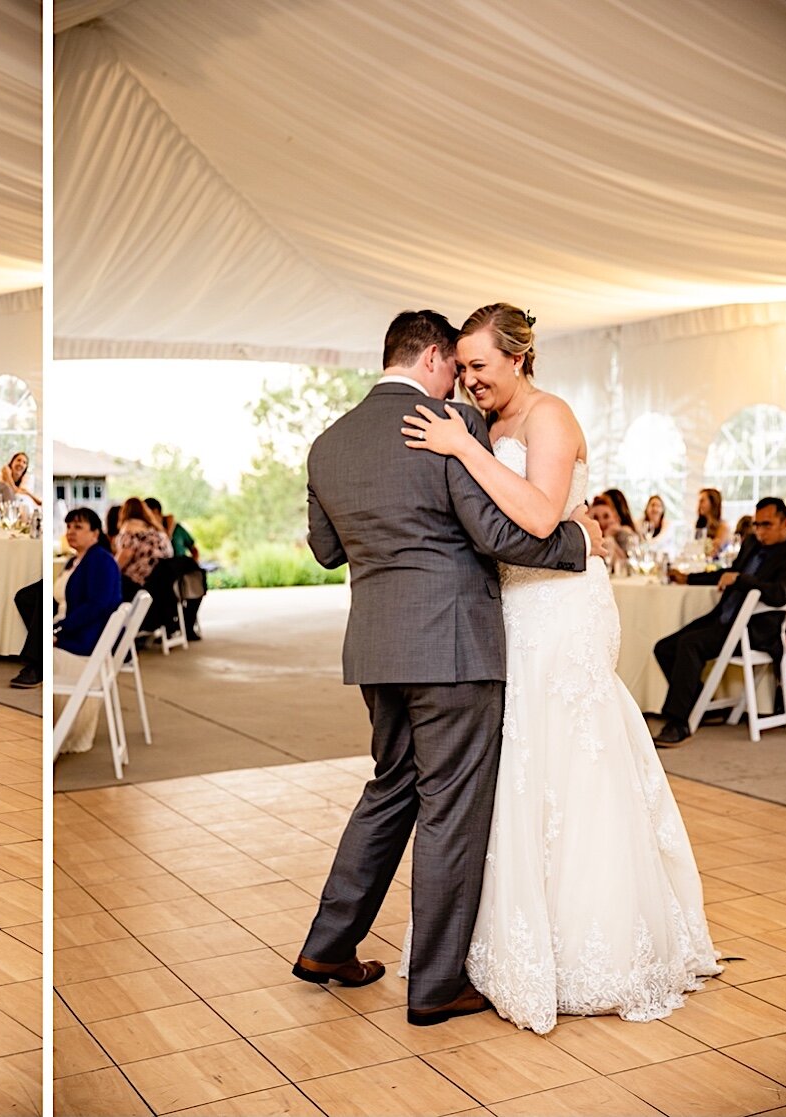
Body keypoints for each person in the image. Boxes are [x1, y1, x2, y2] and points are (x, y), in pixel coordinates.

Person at [399, 303, 719, 1032]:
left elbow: (542, 517)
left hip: (563, 605)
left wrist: (463, 450)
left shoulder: (550, 416)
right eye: (464, 366)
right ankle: (511, 939)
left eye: (480, 364)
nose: (469, 378)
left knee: (573, 760)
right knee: (518, 763)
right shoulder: (485, 424)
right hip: (511, 605)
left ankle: (594, 948)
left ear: (518, 358)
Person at [294, 309, 602, 1027]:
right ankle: (434, 986)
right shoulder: (440, 431)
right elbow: (501, 533)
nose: (460, 381)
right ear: (433, 356)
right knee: (449, 812)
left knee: (389, 790)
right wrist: (580, 544)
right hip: (454, 649)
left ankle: (327, 945)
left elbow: (326, 551)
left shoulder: (328, 443)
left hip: (376, 648)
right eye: (455, 366)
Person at [652, 496, 786, 747]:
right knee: (664, 647)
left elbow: (779, 593)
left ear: (785, 523)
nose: (760, 531)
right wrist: (688, 579)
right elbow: (726, 574)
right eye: (757, 524)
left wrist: (741, 579)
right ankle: (699, 703)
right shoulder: (751, 543)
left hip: (754, 631)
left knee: (690, 644)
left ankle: (678, 723)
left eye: (767, 525)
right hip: (724, 619)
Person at [53, 507, 123, 754]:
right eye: (69, 526)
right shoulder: (75, 561)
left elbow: (97, 606)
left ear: (95, 533)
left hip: (84, 641)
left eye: (78, 527)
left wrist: (59, 630)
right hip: (71, 631)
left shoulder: (101, 561)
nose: (71, 532)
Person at [145, 497, 205, 640]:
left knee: (197, 584)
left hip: (183, 568)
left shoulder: (176, 528)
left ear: (156, 512)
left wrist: (195, 562)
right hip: (164, 574)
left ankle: (187, 625)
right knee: (166, 590)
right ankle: (169, 625)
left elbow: (193, 548)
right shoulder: (150, 533)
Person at [113, 496, 172, 602]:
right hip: (162, 585)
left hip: (138, 585)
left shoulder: (129, 529)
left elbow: (121, 560)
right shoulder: (158, 533)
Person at [588, 494, 635, 572]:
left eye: (606, 516)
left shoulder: (624, 534)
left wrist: (609, 538)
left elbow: (624, 566)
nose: (601, 522)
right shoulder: (586, 540)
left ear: (615, 517)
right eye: (595, 517)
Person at [695, 487, 731, 553]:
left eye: (702, 501)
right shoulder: (701, 524)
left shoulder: (723, 526)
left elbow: (713, 552)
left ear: (713, 503)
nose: (699, 504)